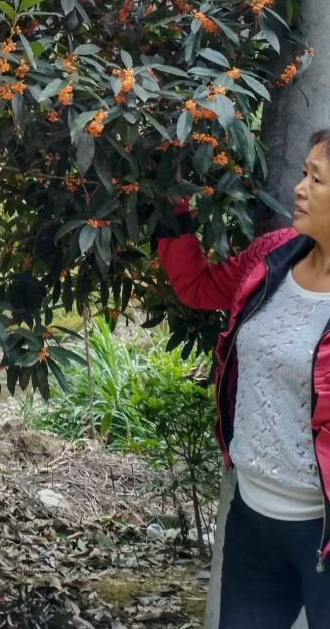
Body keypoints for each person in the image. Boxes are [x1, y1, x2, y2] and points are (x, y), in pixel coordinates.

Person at [154, 128, 330, 629]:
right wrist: (174, 205)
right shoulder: (275, 253)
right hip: (253, 518)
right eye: (303, 173)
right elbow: (197, 286)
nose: (298, 188)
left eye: (316, 180)